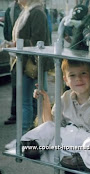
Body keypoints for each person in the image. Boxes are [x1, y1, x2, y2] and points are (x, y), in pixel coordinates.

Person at [21, 59, 90, 173]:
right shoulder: (65, 98)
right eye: (72, 75)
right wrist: (45, 102)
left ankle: (83, 160)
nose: (78, 79)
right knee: (48, 127)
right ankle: (33, 145)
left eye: (83, 73)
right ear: (66, 80)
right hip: (67, 142)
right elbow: (53, 124)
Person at [5, 0, 53, 150]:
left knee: (26, 103)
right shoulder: (30, 10)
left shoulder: (36, 11)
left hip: (30, 63)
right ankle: (30, 139)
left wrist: (16, 44)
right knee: (30, 102)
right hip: (27, 62)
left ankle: (23, 140)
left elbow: (38, 41)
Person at [3, 0, 22, 125]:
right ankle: (17, 114)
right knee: (19, 86)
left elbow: (6, 31)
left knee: (19, 86)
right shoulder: (12, 9)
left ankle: (16, 114)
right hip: (17, 51)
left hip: (18, 52)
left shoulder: (11, 8)